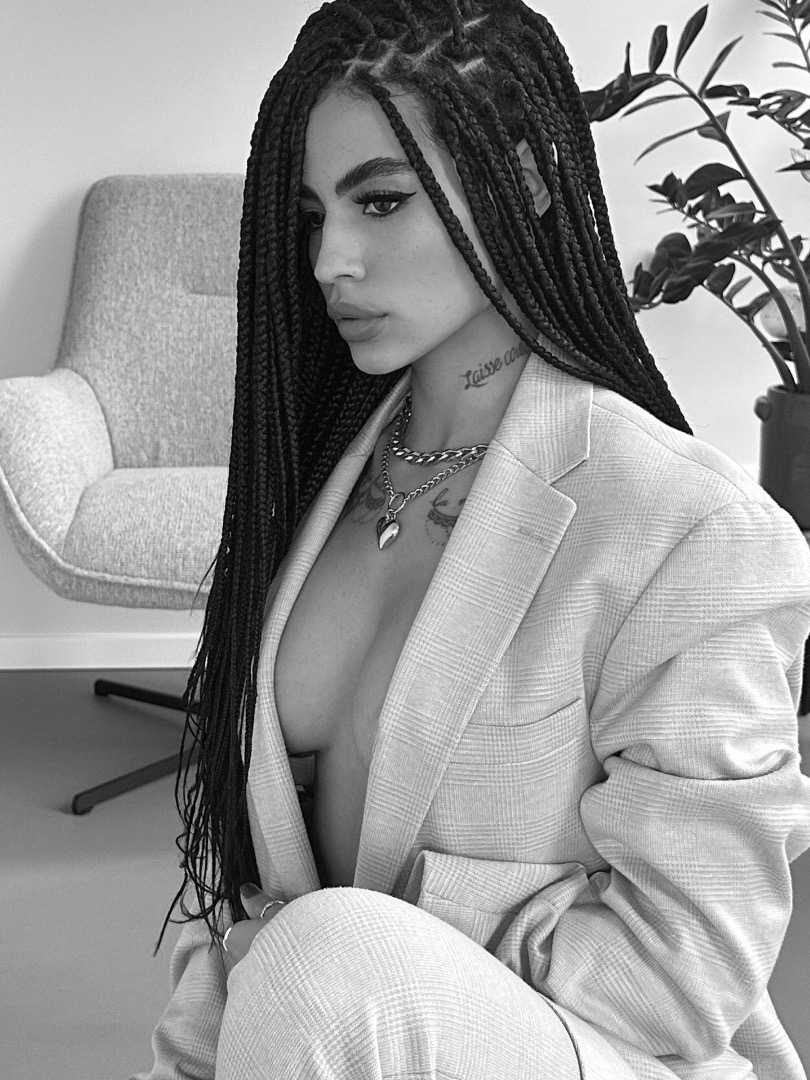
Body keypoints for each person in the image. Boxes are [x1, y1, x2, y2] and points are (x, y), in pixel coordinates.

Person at [135, 2, 810, 1078]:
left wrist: (342, 948)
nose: (331, 260)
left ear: (528, 178)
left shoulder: (691, 531)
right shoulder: (314, 489)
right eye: (313, 216)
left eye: (381, 201)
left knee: (323, 960)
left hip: (600, 1056)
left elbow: (680, 975)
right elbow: (254, 912)